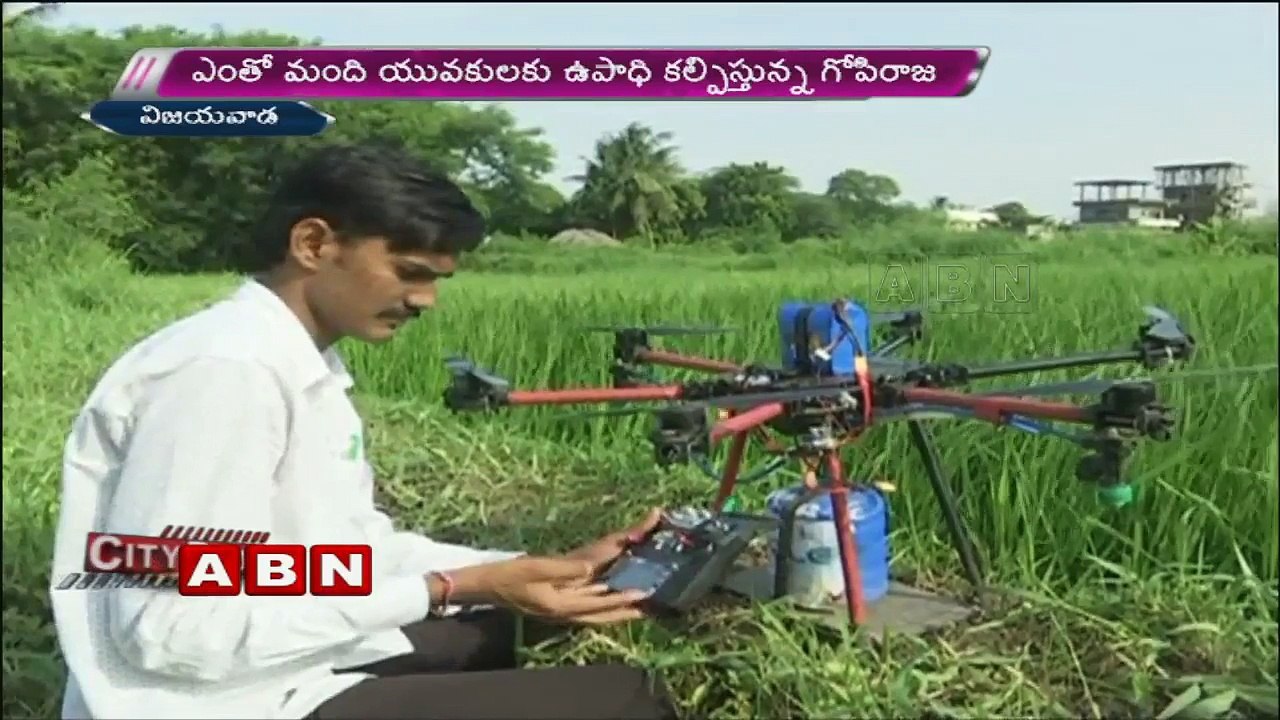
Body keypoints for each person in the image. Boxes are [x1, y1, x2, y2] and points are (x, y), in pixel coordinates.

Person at [48, 141, 682, 720]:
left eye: (437, 278)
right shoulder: (227, 375)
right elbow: (169, 632)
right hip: (217, 702)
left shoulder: (301, 364)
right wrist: (444, 589)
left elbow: (345, 554)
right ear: (314, 244)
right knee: (630, 699)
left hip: (278, 667)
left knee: (523, 621)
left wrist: (526, 568)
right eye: (409, 271)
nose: (426, 300)